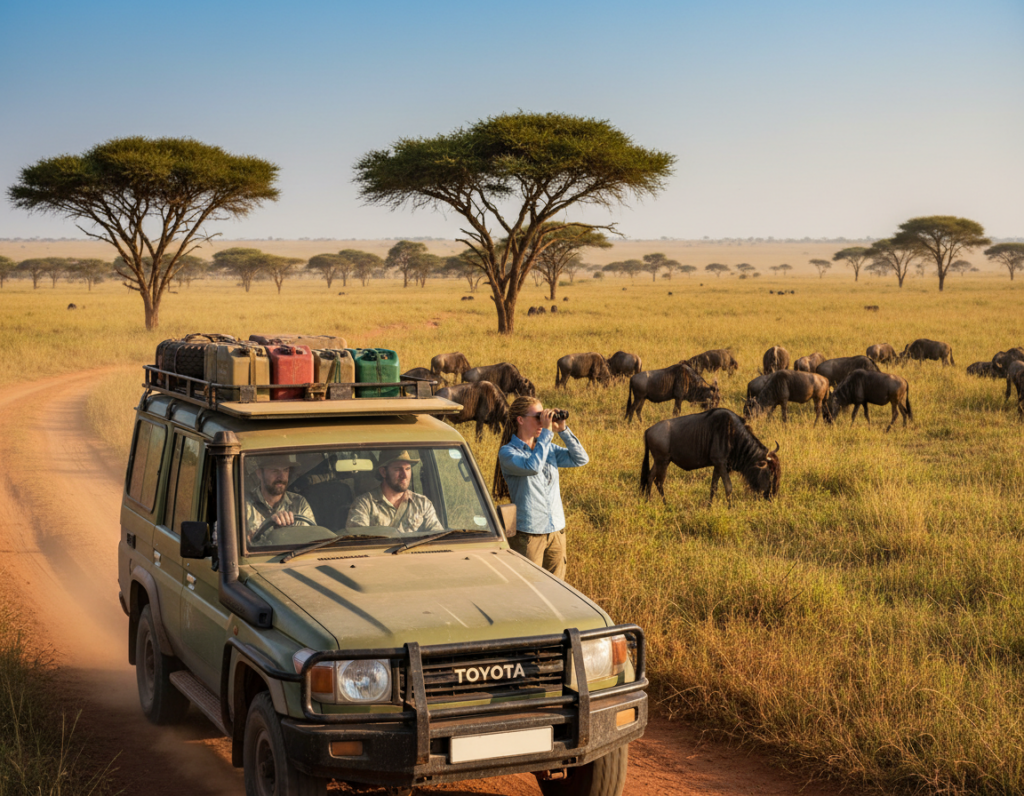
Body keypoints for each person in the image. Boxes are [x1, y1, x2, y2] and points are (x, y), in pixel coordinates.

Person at [493, 397, 589, 579]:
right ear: (520, 420)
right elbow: (532, 466)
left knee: (557, 589)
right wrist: (546, 432)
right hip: (529, 534)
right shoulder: (508, 452)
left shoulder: (547, 448)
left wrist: (563, 430)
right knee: (528, 590)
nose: (543, 421)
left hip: (556, 531)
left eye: (544, 416)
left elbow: (581, 459)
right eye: (538, 416)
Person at [347, 451, 444, 533]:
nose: (404, 475)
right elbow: (359, 544)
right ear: (383, 472)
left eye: (407, 469)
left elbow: (438, 539)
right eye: (397, 469)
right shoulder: (364, 504)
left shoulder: (422, 504)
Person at [245, 454, 316, 543]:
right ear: (259, 473)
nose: (281, 477)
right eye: (275, 471)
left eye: (285, 470)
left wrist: (287, 532)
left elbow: (310, 541)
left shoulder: (299, 503)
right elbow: (235, 546)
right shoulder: (243, 505)